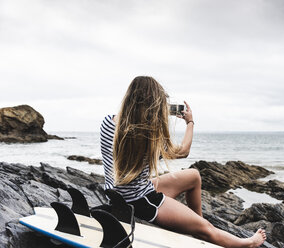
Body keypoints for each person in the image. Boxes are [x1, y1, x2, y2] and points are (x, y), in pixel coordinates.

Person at [100, 76, 266, 248]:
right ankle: (246, 243)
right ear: (153, 104)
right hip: (140, 201)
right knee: (207, 228)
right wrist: (190, 122)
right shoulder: (148, 137)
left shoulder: (107, 123)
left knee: (193, 176)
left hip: (119, 193)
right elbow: (184, 151)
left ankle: (196, 224)